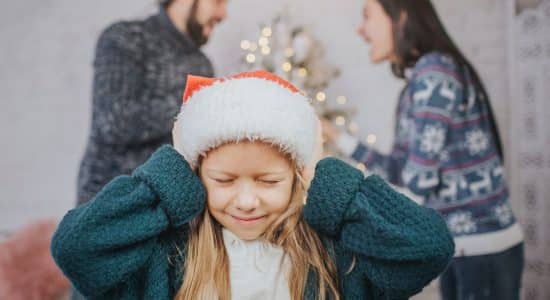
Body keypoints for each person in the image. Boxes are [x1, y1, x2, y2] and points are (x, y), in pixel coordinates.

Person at [52, 71, 454, 299]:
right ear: (194, 177)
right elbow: (75, 249)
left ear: (298, 176)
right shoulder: (168, 254)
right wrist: (169, 175)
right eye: (224, 180)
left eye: (269, 180)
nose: (246, 201)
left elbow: (428, 247)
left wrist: (322, 177)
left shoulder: (332, 254)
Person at [322, 1, 524, 299]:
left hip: (482, 250)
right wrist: (336, 136)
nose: (361, 29)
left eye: (367, 16)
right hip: (464, 249)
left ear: (400, 17)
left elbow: (417, 183)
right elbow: (401, 170)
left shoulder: (434, 74)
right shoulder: (419, 80)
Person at [77, 0, 227, 205]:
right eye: (217, 1)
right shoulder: (125, 38)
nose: (223, 14)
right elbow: (114, 122)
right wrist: (197, 103)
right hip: (109, 206)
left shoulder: (202, 64)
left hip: (169, 208)